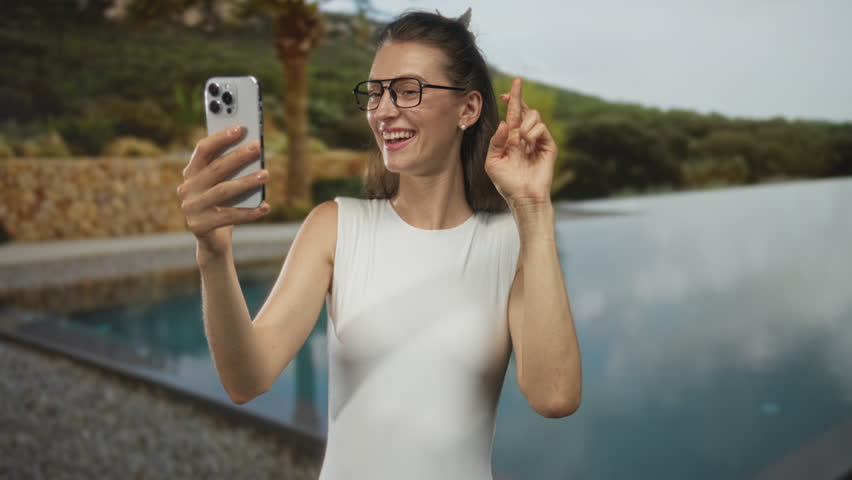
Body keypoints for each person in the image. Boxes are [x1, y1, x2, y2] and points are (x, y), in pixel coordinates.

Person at [176, 9, 581, 480]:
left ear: (468, 109)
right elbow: (247, 379)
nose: (384, 110)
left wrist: (534, 209)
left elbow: (554, 396)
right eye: (375, 93)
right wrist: (213, 254)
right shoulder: (336, 227)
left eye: (408, 91)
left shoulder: (509, 244)